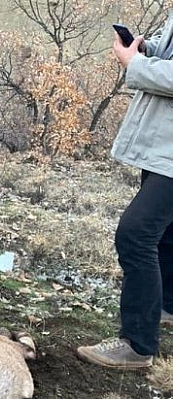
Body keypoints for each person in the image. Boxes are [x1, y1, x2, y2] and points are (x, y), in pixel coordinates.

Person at [77, 18, 173, 369]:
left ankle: (137, 344)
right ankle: (166, 306)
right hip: (165, 144)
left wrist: (135, 63)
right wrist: (146, 48)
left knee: (136, 234)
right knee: (165, 232)